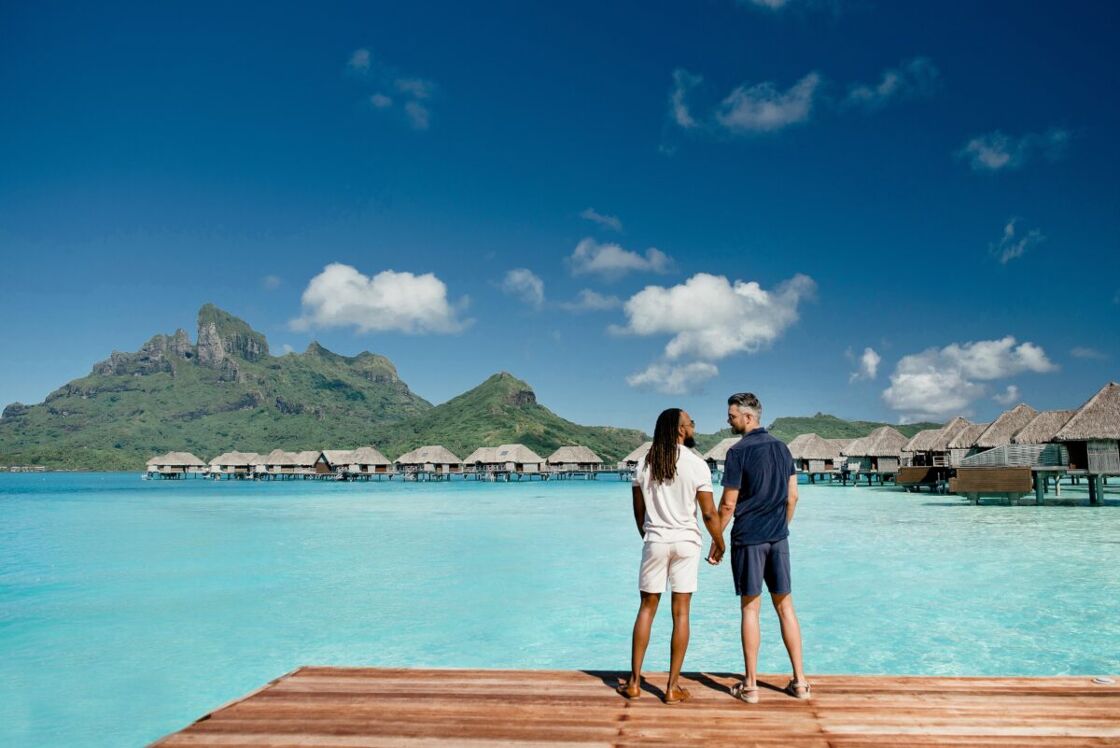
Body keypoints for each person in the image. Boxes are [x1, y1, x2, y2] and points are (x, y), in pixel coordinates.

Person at [708, 392, 810, 704]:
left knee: (751, 609)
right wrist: (782, 527)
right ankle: (801, 683)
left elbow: (727, 504)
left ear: (748, 417)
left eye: (732, 415)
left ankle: (751, 686)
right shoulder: (783, 448)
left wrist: (716, 540)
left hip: (749, 539)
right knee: (786, 607)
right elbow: (793, 497)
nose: (728, 419)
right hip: (778, 538)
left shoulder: (738, 452)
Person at [619, 408, 724, 705]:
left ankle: (635, 684)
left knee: (646, 610)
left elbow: (639, 514)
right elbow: (708, 512)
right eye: (691, 423)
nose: (693, 427)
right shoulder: (696, 464)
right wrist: (719, 541)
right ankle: (671, 687)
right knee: (681, 613)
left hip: (655, 540)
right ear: (680, 430)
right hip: (687, 543)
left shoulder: (643, 464)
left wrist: (651, 536)